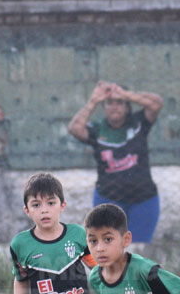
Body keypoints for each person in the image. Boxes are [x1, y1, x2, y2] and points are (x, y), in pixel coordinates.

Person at [68, 81, 164, 244]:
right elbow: (75, 129)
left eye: (120, 103)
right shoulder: (97, 129)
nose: (115, 107)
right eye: (109, 103)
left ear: (127, 107)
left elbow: (157, 103)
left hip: (143, 200)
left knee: (137, 253)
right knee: (108, 249)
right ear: (104, 107)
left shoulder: (139, 123)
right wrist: (93, 101)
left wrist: (126, 94)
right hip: (108, 199)